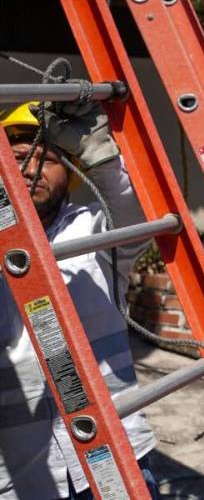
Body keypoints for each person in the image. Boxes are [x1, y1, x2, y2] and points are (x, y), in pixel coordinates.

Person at [0, 100, 160, 500]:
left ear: (68, 174)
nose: (31, 169)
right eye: (18, 156)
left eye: (47, 159)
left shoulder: (93, 230)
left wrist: (100, 156)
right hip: (23, 473)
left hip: (116, 452)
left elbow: (135, 213)